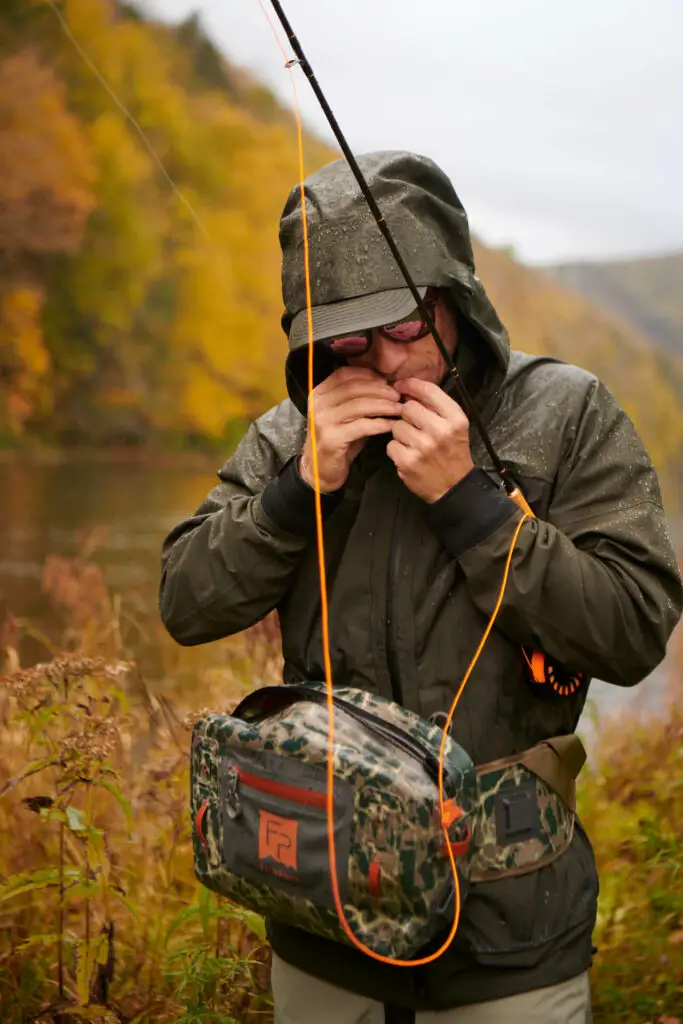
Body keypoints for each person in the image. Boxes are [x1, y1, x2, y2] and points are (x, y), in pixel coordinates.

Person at [159, 151, 683, 1023]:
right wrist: (296, 492)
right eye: (349, 341)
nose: (385, 364)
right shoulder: (293, 432)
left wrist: (471, 506)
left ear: (452, 301)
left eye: (402, 327)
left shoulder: (565, 414)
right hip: (323, 921)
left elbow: (632, 632)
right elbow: (185, 602)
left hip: (509, 938)